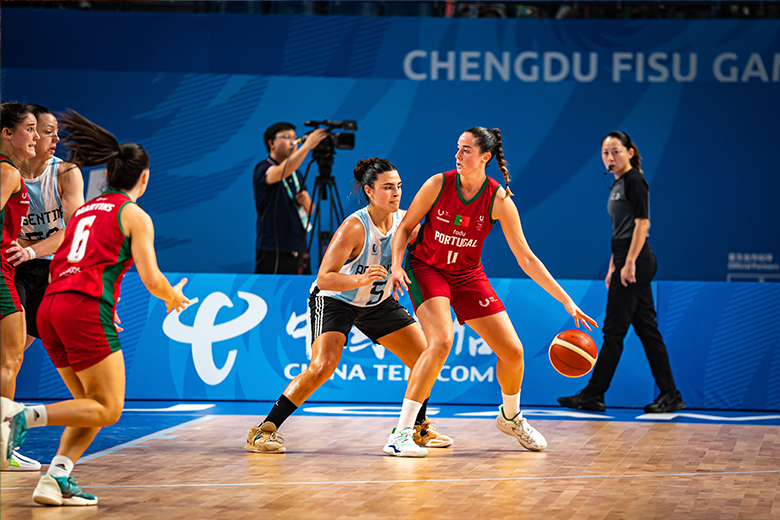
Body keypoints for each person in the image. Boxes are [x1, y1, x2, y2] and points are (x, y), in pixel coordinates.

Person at [0, 110, 189, 506]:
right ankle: (22, 416)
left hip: (53, 306)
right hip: (82, 309)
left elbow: (62, 264)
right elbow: (152, 278)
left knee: (89, 406)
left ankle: (55, 479)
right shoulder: (133, 213)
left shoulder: (86, 210)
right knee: (108, 407)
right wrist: (172, 297)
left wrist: (85, 304)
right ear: (144, 177)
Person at [387, 126, 597, 455]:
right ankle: (401, 433)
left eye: (466, 150)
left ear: (485, 157)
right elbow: (405, 228)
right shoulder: (437, 184)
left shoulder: (499, 200)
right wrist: (397, 265)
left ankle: (510, 417)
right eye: (457, 148)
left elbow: (526, 258)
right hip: (426, 267)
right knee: (442, 340)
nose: (458, 155)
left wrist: (567, 302)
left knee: (513, 352)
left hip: (467, 275)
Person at [245, 157, 452, 457]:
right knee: (322, 367)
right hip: (336, 300)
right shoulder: (354, 227)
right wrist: (360, 279)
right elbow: (324, 278)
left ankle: (417, 428)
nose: (396, 193)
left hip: (378, 304)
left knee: (424, 358)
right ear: (369, 191)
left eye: (399, 186)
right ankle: (264, 430)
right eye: (387, 188)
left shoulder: (405, 223)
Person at [558, 131, 685, 414]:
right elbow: (620, 231)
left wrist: (628, 264)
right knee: (647, 330)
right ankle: (670, 394)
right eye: (605, 152)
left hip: (636, 263)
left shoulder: (635, 181)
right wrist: (613, 265)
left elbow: (642, 225)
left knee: (614, 331)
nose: (610, 157)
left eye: (615, 151)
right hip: (625, 260)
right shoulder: (618, 184)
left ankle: (593, 394)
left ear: (629, 152)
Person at [2, 105, 85, 472]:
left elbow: (72, 229)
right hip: (12, 264)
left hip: (46, 264)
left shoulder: (64, 173)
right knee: (10, 356)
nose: (48, 139)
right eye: (39, 130)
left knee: (16, 352)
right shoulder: (9, 171)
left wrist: (34, 248)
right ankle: (5, 441)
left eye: (50, 132)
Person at [0, 102, 36, 470]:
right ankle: (2, 449)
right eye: (29, 128)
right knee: (10, 359)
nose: (36, 136)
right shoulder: (7, 172)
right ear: (7, 133)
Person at [253, 122, 328, 274]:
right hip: (272, 249)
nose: (294, 142)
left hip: (298, 247)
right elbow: (279, 173)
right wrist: (307, 146)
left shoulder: (296, 174)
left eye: (295, 137)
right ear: (271, 143)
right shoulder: (263, 168)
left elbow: (310, 210)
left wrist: (306, 200)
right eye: (286, 137)